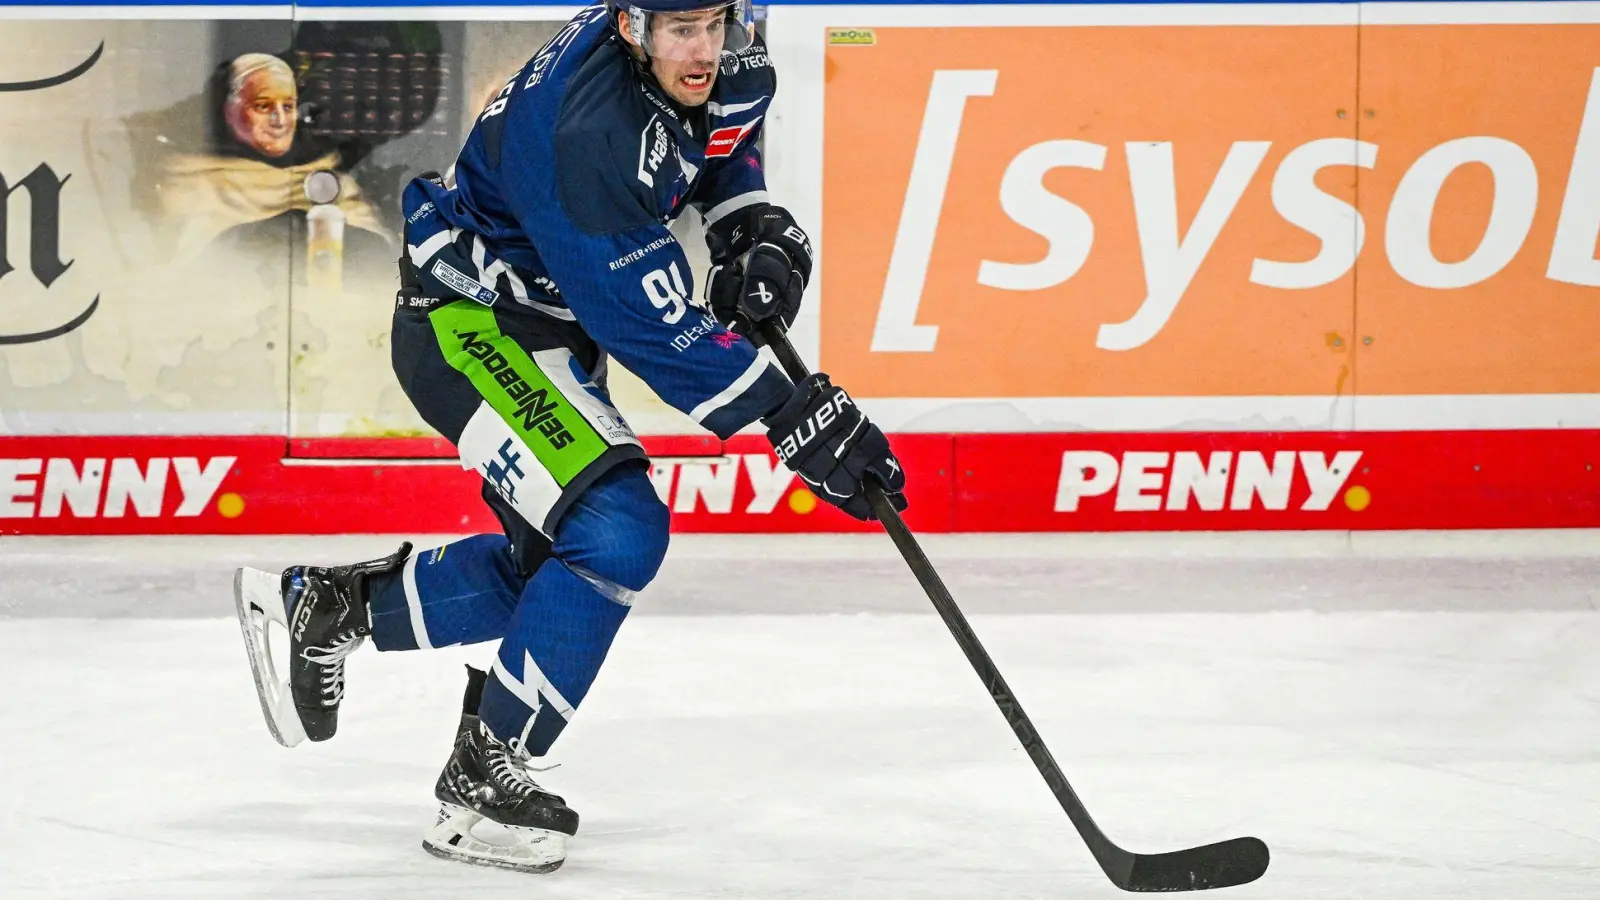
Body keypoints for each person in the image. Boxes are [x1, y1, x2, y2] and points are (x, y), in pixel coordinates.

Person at [233, 0, 907, 875]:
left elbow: (722, 141)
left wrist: (751, 229)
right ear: (630, 27)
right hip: (470, 322)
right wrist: (796, 419)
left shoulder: (718, 54)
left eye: (717, 23)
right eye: (681, 29)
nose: (704, 49)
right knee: (616, 532)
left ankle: (334, 607)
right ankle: (484, 776)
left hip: (548, 324)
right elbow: (650, 327)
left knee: (554, 572)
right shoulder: (586, 134)